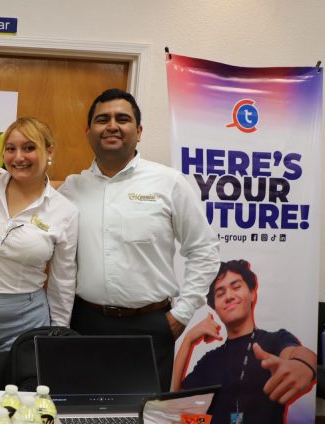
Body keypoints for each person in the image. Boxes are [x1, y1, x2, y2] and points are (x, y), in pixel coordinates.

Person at [58, 88, 220, 392]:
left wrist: (182, 314)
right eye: (102, 119)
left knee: (143, 414)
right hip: (85, 324)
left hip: (150, 326)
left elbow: (205, 249)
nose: (112, 126)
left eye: (122, 119)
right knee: (83, 410)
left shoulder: (169, 183)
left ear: (139, 131)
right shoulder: (71, 189)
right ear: (89, 132)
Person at [0, 117, 78, 377]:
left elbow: (63, 281)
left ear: (49, 151)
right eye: (10, 149)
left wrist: (58, 332)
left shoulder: (64, 211)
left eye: (29, 148)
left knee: (17, 393)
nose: (18, 157)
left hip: (25, 319)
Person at [173, 259, 317, 424]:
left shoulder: (275, 340)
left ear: (252, 294)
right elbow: (175, 402)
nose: (229, 296)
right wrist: (188, 340)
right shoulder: (210, 360)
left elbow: (296, 353)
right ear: (215, 307)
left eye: (236, 287)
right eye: (220, 293)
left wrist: (302, 364)